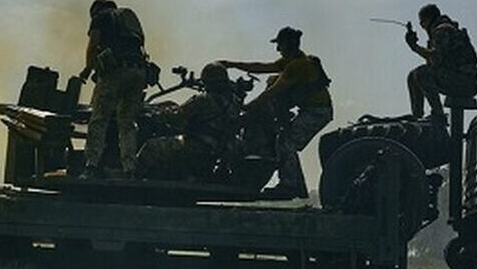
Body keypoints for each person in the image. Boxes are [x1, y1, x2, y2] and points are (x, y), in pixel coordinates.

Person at [221, 27, 333, 199]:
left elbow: (272, 93)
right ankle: (298, 187)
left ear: (287, 44)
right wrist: (232, 64)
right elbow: (261, 67)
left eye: (279, 45)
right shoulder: (291, 61)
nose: (277, 49)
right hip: (312, 109)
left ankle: (289, 186)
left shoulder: (297, 66)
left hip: (317, 112)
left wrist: (247, 108)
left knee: (286, 141)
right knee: (285, 141)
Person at [136, 62, 243, 183]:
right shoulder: (234, 102)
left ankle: (132, 178)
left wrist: (155, 115)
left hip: (198, 147)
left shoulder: (204, 99)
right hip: (221, 151)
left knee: (151, 147)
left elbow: (178, 116)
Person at [80, 0, 148, 178]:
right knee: (127, 122)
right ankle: (129, 168)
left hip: (116, 72)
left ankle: (91, 166)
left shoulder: (100, 18)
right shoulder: (128, 18)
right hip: (139, 72)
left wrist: (87, 69)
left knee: (99, 118)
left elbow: (93, 45)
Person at [405, 3, 477, 121]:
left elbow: (436, 59)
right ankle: (417, 118)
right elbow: (435, 64)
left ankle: (438, 116)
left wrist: (415, 47)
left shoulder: (442, 30)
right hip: (459, 79)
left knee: (421, 73)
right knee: (412, 76)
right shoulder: (441, 31)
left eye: (422, 22)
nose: (422, 26)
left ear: (428, 19)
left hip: (465, 82)